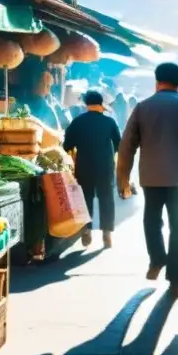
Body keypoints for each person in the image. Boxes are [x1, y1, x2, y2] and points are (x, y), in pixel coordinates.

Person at [118, 63, 178, 297]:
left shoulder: (142, 107)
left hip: (150, 175)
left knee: (151, 219)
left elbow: (127, 147)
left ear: (156, 81)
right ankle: (176, 282)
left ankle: (157, 258)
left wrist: (123, 181)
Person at [62, 90, 122, 249]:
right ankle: (107, 233)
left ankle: (86, 230)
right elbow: (119, 144)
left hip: (84, 166)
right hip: (105, 166)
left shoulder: (78, 122)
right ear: (101, 103)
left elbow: (67, 145)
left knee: (86, 197)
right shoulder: (109, 122)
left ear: (86, 104)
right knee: (106, 198)